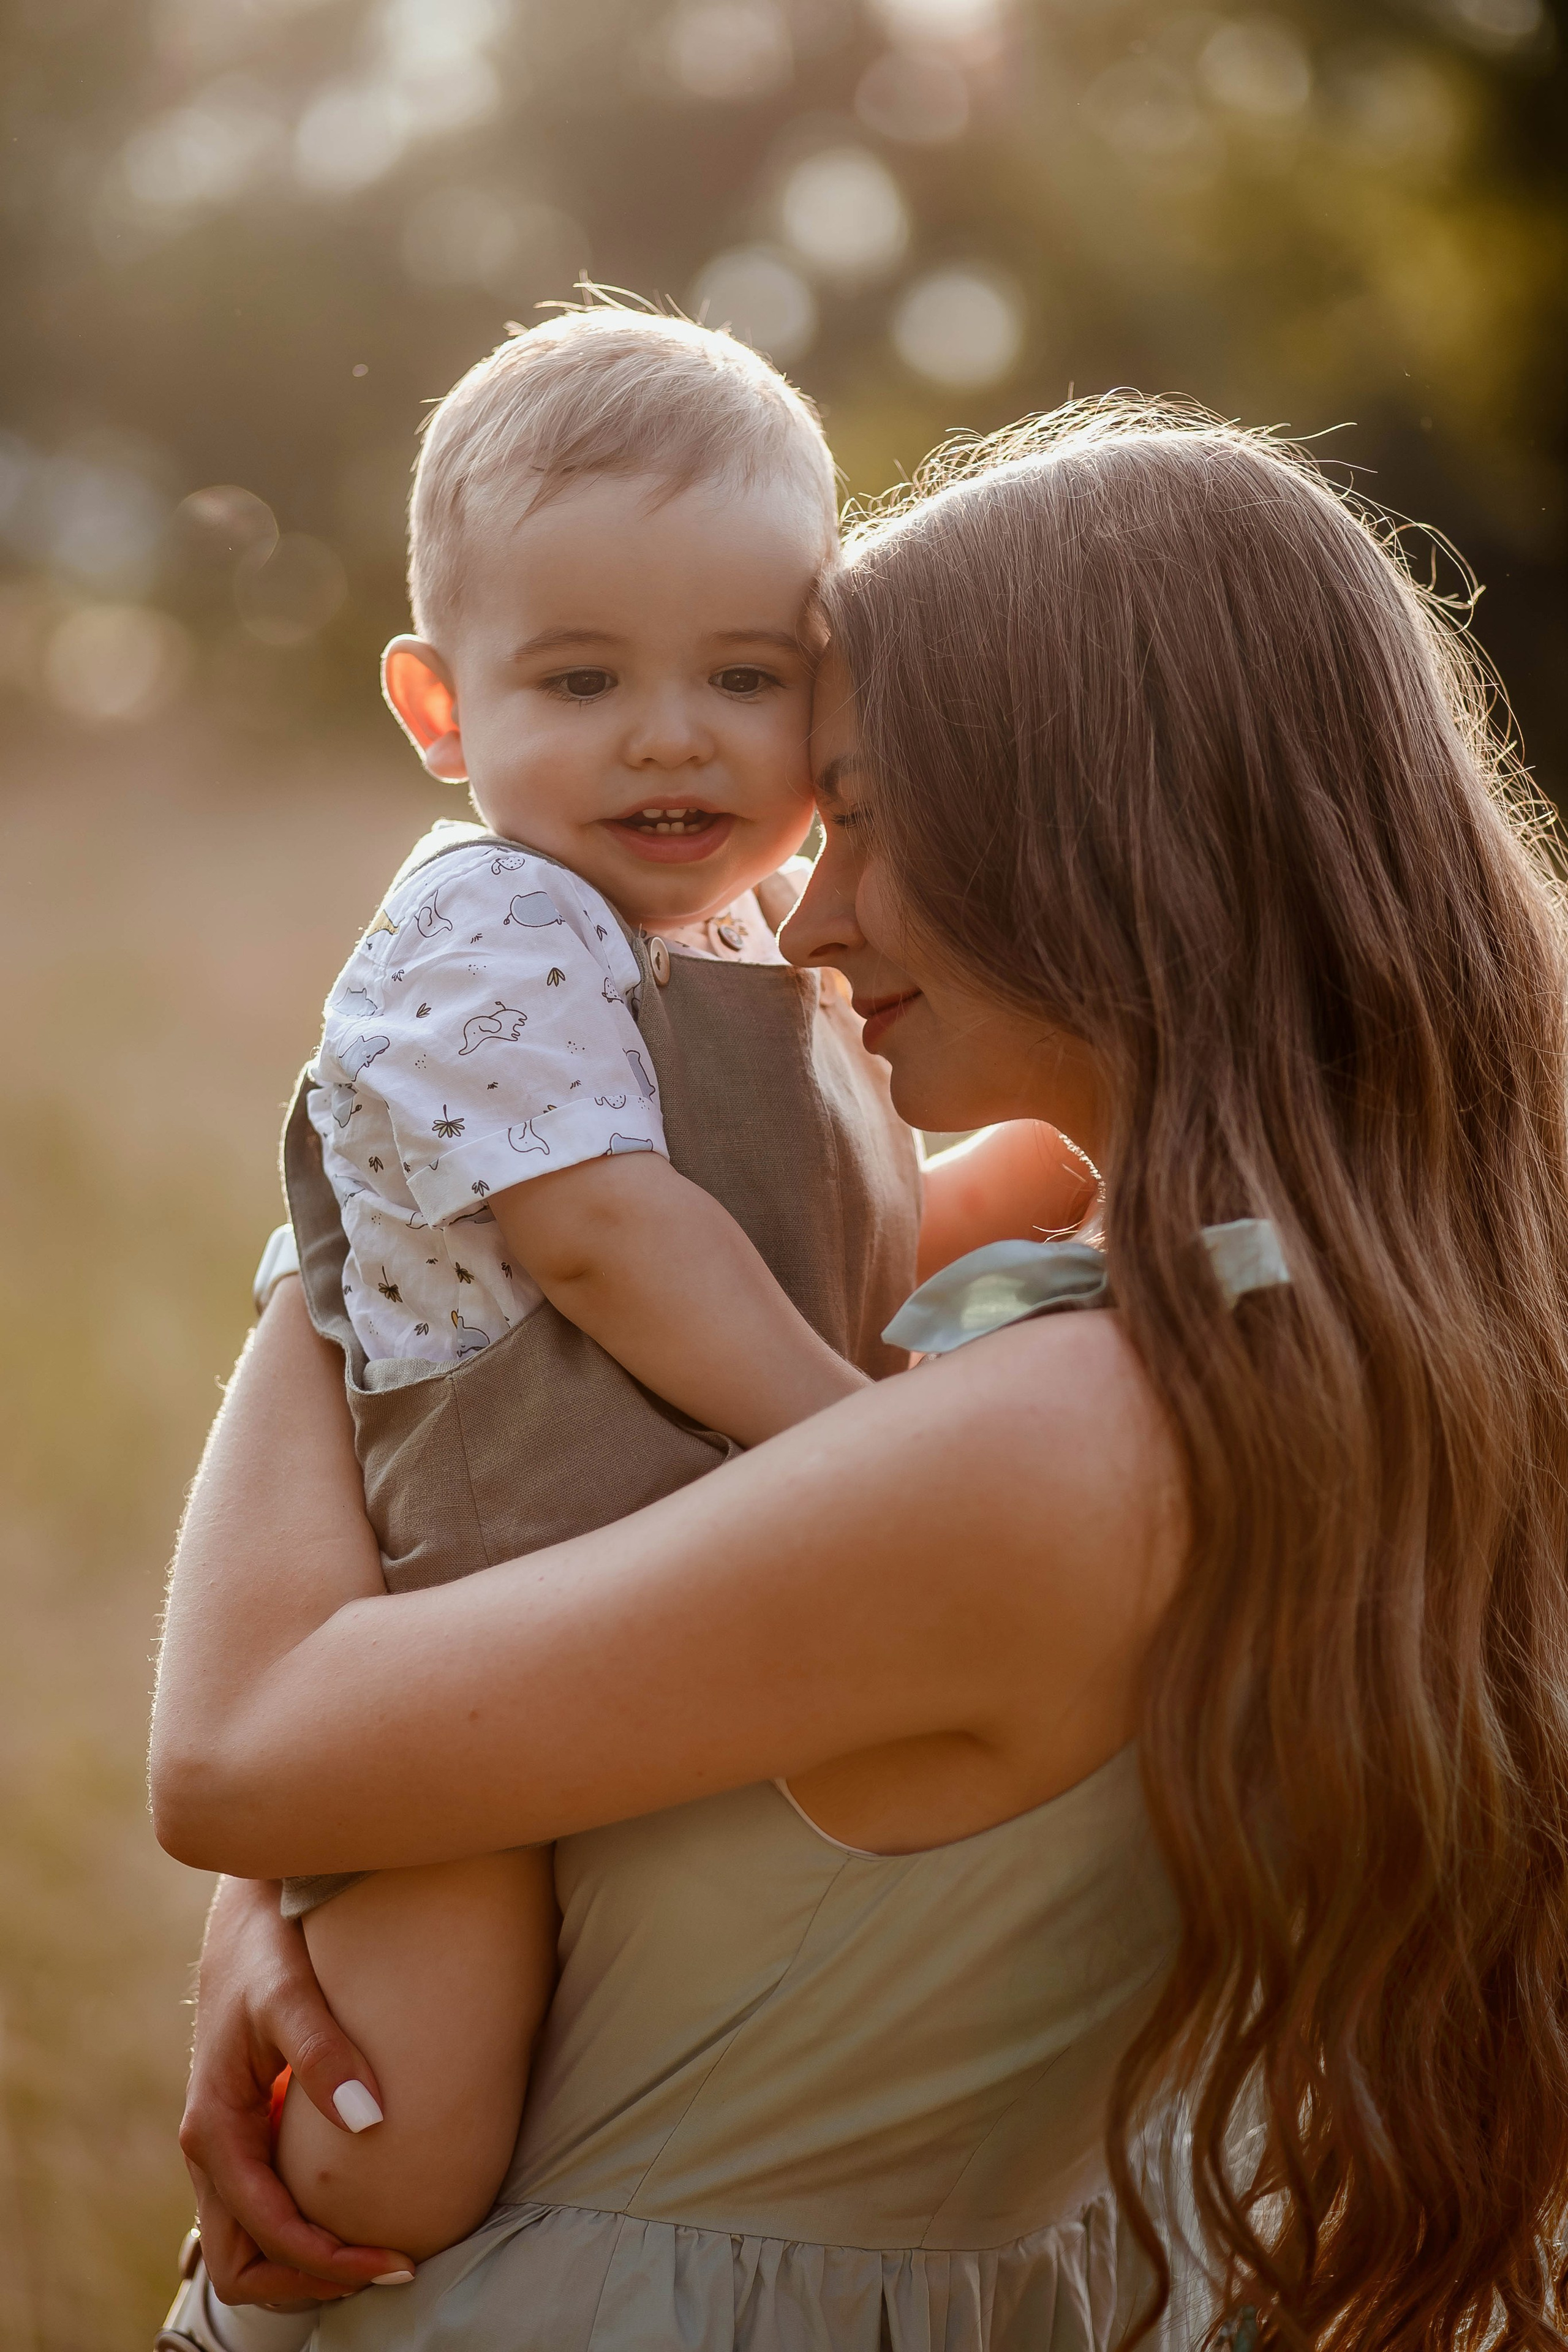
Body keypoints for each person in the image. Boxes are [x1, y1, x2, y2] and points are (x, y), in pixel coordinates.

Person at [155, 399, 1568, 2352]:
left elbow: (235, 1755)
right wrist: (296, 1911)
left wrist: (383, 1205)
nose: (808, 916)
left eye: (872, 820)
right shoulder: (1274, 1310)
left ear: (1095, 836)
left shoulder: (1045, 1448)